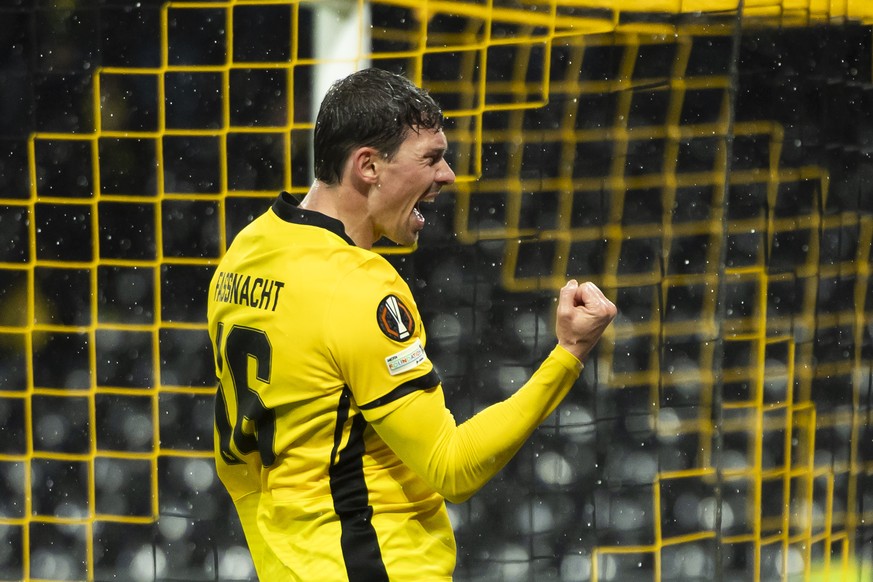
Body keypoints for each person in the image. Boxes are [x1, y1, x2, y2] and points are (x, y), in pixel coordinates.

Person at [207, 67, 616, 581]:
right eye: (431, 158)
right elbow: (452, 467)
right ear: (368, 166)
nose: (447, 175)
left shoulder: (244, 254)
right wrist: (569, 355)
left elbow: (236, 466)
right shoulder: (358, 286)